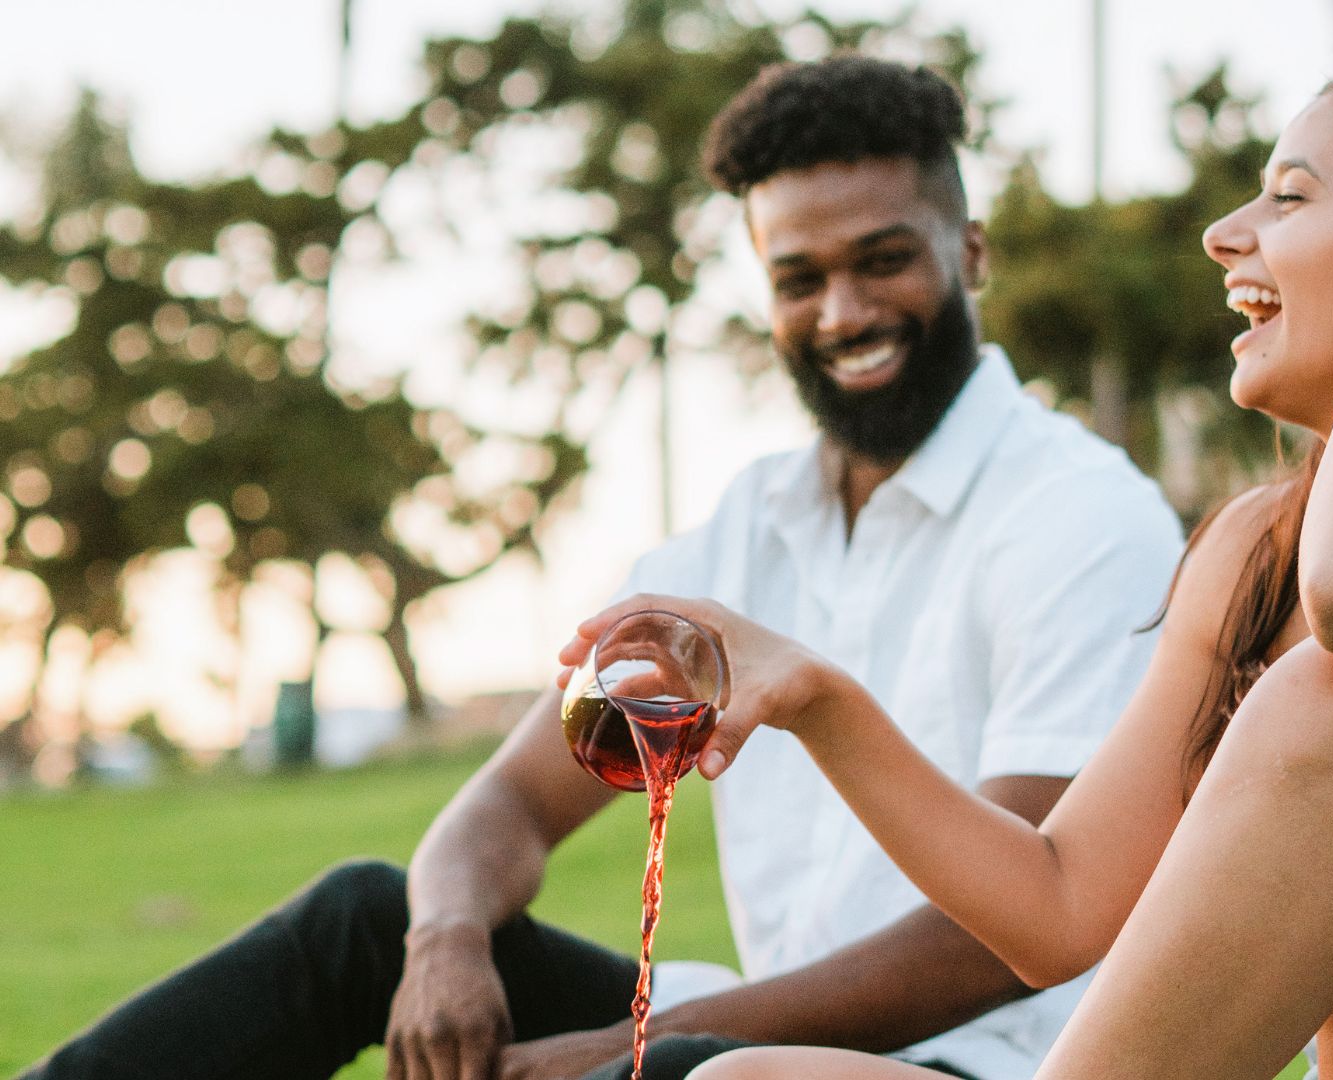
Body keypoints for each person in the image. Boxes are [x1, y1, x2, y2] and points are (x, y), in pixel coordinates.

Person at [562, 55, 1333, 1080]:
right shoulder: (1254, 552)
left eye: (1292, 197)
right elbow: (1054, 911)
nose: (1226, 235)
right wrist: (814, 695)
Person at [19, 57, 1182, 1080]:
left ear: (968, 252)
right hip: (734, 1044)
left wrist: (633, 1045)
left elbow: (1015, 934)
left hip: (976, 1067)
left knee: (666, 1070)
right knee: (370, 921)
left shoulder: (1083, 520)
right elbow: (519, 799)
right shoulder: (745, 528)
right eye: (798, 278)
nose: (843, 311)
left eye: (884, 261)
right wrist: (446, 946)